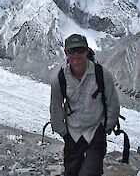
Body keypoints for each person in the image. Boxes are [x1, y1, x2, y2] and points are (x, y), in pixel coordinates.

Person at [50, 34, 120, 176]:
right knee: (72, 171)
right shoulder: (61, 79)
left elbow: (112, 102)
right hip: (72, 133)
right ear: (66, 53)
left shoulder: (101, 74)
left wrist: (105, 129)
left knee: (90, 172)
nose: (76, 55)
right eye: (72, 51)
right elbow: (55, 107)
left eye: (80, 50)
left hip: (95, 132)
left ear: (87, 51)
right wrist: (63, 133)